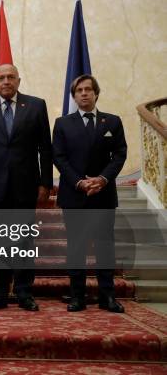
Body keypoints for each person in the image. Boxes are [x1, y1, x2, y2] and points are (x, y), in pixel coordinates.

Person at [0, 64, 52, 311]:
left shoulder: (36, 106)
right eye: (1, 78)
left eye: (10, 77)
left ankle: (24, 291)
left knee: (24, 242)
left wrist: (45, 182)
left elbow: (45, 148)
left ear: (19, 80)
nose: (6, 81)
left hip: (25, 186)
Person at [53, 74, 127, 313]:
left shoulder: (112, 122)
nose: (84, 93)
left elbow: (119, 154)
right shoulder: (62, 123)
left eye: (88, 89)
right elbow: (59, 158)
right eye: (79, 91)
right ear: (73, 96)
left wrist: (102, 179)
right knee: (77, 247)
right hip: (74, 195)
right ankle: (77, 297)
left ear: (96, 93)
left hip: (103, 195)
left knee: (105, 246)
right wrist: (79, 182)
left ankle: (108, 297)